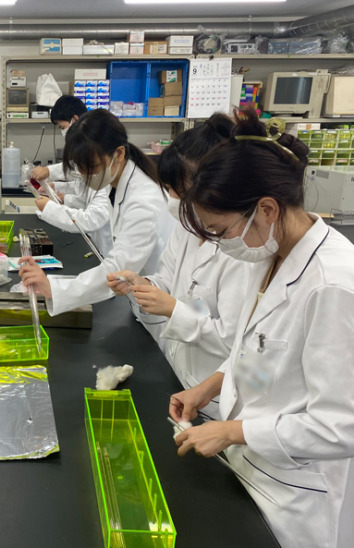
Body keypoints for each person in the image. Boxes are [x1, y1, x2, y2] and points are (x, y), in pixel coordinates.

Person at [170, 109, 354, 548]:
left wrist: (233, 431)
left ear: (267, 209)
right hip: (249, 466)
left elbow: (342, 425)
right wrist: (212, 385)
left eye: (221, 230)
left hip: (292, 492)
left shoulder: (332, 285)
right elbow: (264, 357)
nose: (221, 244)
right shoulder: (272, 254)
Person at [107, 115, 253, 416]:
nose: (172, 200)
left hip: (217, 397)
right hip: (179, 374)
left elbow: (232, 339)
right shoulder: (187, 227)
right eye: (170, 189)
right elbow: (169, 281)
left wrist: (173, 309)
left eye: (179, 191)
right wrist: (142, 284)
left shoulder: (240, 248)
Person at [20, 109, 175, 316]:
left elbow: (117, 270)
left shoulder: (143, 202)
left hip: (158, 311)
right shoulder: (117, 181)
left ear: (119, 153)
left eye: (90, 167)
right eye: (80, 167)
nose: (84, 175)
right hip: (138, 298)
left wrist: (53, 288)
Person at [31, 97, 113, 256]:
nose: (79, 171)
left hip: (110, 249)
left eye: (62, 126)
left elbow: (92, 218)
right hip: (98, 245)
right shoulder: (94, 163)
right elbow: (84, 192)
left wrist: (50, 208)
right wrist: (59, 191)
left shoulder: (100, 159)